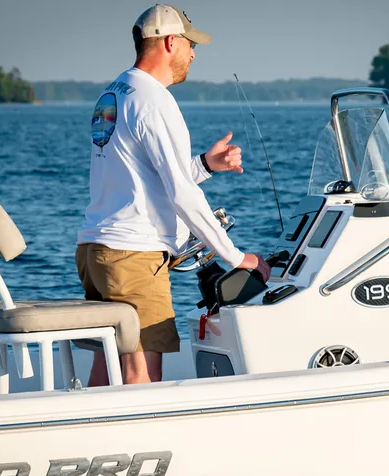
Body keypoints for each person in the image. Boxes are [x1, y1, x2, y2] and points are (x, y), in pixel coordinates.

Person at [75, 4, 269, 386]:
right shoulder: (153, 100)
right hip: (133, 259)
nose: (194, 54)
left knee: (108, 368)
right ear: (169, 42)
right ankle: (140, 444)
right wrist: (236, 257)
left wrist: (205, 166)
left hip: (97, 252)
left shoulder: (116, 91)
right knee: (142, 374)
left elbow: (145, 179)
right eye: (189, 44)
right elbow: (181, 193)